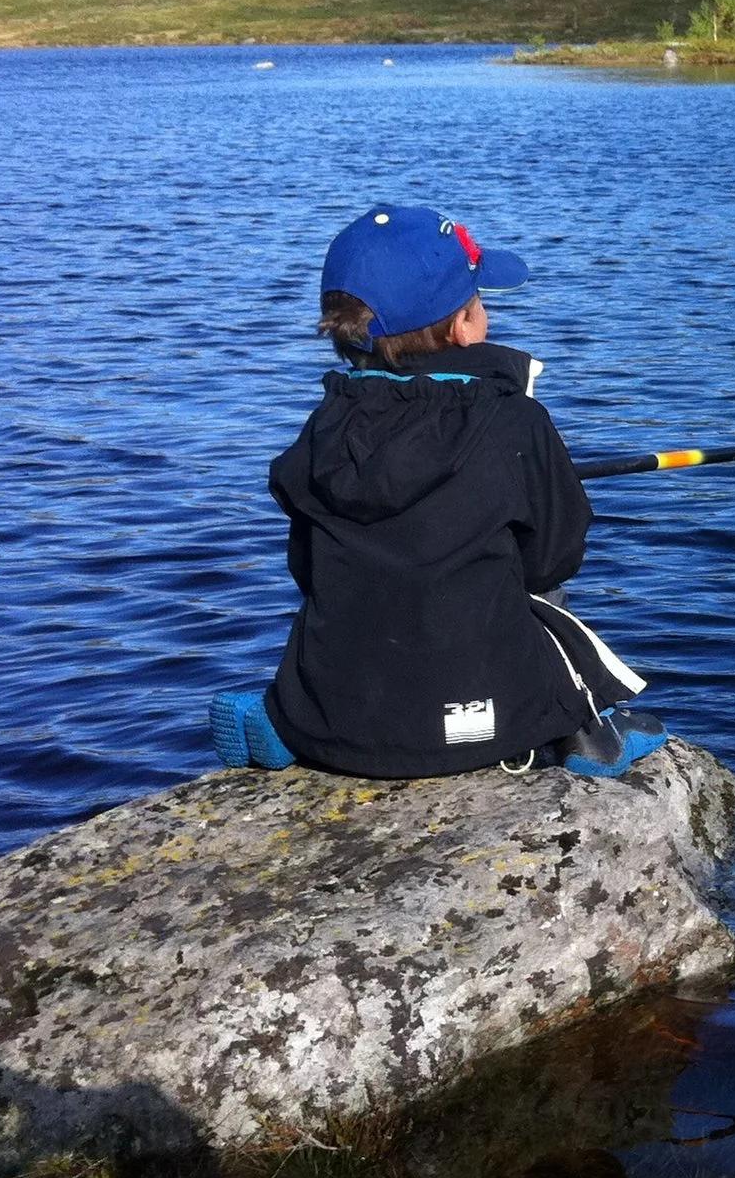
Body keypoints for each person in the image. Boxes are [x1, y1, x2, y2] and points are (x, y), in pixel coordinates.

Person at [208, 204, 666, 780]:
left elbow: (306, 568)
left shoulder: (323, 427)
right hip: (485, 725)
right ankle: (584, 735)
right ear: (461, 329)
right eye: (481, 302)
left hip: (335, 723)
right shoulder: (515, 421)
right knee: (546, 605)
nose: (488, 315)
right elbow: (555, 556)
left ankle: (287, 720)